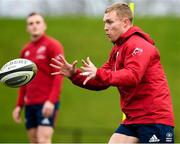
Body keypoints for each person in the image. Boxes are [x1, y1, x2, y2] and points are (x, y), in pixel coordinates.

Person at [50, 2, 174, 143]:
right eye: (104, 23)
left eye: (109, 22)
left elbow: (132, 76)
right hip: (133, 119)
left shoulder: (139, 45)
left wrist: (99, 73)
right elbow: (101, 80)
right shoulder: (117, 50)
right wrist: (74, 75)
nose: (105, 28)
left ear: (125, 23)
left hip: (154, 119)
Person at [12, 12, 64, 143]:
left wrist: (51, 101)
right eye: (31, 23)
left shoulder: (53, 45)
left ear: (44, 25)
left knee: (43, 140)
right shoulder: (25, 51)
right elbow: (23, 79)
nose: (34, 26)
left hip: (46, 103)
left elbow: (59, 75)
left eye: (37, 22)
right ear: (27, 28)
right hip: (30, 103)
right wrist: (19, 105)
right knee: (33, 141)